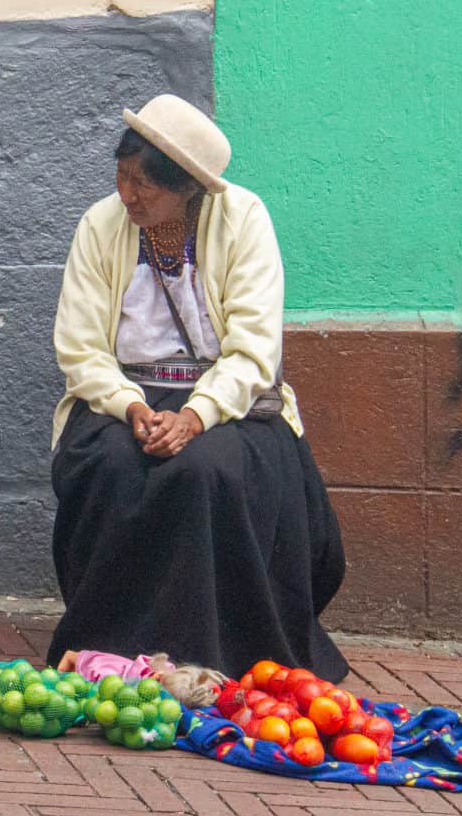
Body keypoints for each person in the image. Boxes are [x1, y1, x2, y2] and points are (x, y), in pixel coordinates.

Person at [47, 93, 348, 683]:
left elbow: (254, 350)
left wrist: (196, 415)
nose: (127, 195)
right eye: (122, 176)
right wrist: (130, 406)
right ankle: (108, 648)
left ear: (187, 188)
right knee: (110, 465)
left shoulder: (244, 219)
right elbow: (80, 347)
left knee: (204, 471)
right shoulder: (100, 225)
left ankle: (219, 651)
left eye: (144, 185)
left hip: (227, 403)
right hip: (125, 398)